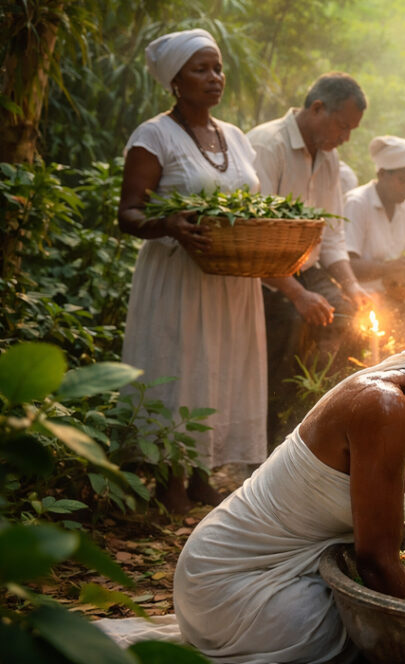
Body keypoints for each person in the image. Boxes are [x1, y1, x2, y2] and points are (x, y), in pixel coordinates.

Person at [167, 316, 405, 662]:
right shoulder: (384, 407)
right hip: (228, 580)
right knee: (353, 633)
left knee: (377, 627)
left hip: (310, 572)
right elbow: (377, 563)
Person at [117, 29, 266, 513]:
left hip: (230, 280)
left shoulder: (237, 137)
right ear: (175, 81)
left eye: (217, 67)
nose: (214, 78)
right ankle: (170, 481)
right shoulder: (154, 135)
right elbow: (128, 213)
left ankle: (203, 476)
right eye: (201, 69)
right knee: (180, 368)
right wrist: (170, 225)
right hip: (179, 278)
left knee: (218, 369)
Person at [247, 72, 373, 444]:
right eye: (343, 126)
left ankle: (324, 427)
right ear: (317, 108)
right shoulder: (267, 145)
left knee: (352, 318)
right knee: (291, 328)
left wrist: (352, 286)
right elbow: (255, 235)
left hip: (307, 267)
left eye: (352, 130)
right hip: (263, 273)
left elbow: (331, 235)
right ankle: (273, 446)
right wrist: (297, 295)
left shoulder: (330, 159)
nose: (345, 138)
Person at [344, 135, 405, 291]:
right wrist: (388, 268)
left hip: (399, 297)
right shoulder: (357, 203)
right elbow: (347, 265)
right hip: (362, 299)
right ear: (381, 174)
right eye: (403, 180)